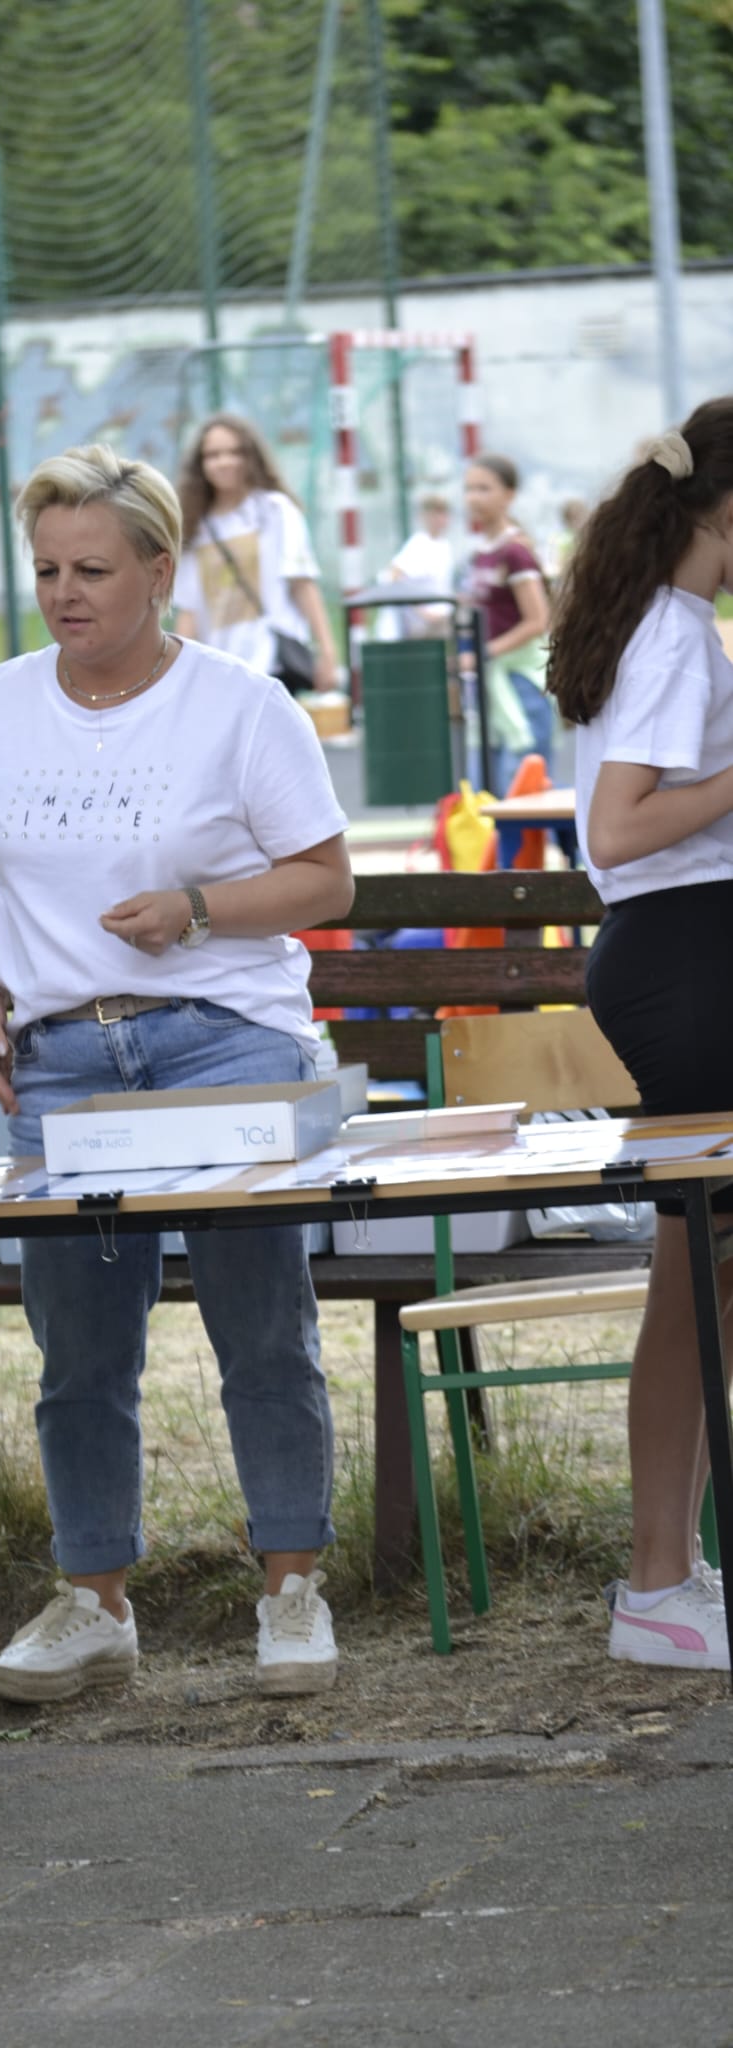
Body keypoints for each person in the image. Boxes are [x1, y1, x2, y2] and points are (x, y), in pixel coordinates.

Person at [0, 443, 354, 1702]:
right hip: (61, 1056)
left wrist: (198, 907)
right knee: (78, 1346)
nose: (65, 593)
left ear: (160, 571)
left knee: (262, 1324)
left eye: (94, 570)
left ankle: (291, 1588)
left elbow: (327, 878)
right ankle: (96, 1599)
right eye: (47, 570)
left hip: (227, 1036)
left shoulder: (242, 704)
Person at [551, 399, 733, 1675]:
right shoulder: (675, 631)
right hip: (686, 959)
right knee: (699, 1276)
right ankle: (659, 1579)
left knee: (707, 1278)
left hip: (683, 954)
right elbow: (617, 830)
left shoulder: (660, 620)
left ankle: (671, 1571)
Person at [173, 412, 339, 693]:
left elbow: (302, 584)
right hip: (221, 671)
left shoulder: (274, 510)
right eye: (213, 455)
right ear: (200, 464)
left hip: (271, 664)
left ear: (251, 457)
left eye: (234, 452)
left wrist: (327, 652)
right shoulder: (193, 527)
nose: (224, 462)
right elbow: (190, 610)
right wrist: (178, 674)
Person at [461, 453, 553, 793]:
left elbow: (537, 619)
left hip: (519, 681)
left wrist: (484, 652)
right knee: (486, 788)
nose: (474, 498)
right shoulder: (479, 553)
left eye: (484, 489)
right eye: (469, 489)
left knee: (523, 788)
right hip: (490, 683)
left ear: (509, 495)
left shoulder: (515, 552)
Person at [375, 490, 455, 639]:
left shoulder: (445, 546)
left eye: (443, 513)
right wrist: (423, 613)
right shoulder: (419, 544)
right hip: (422, 628)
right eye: (435, 513)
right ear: (425, 516)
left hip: (442, 620)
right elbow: (395, 577)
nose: (440, 519)